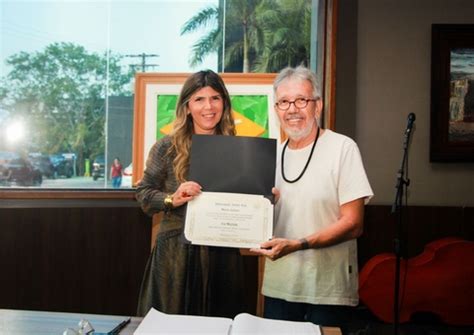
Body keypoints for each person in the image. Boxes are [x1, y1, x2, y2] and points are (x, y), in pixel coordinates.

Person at [250, 66, 373, 333]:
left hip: (328, 290)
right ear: (276, 108)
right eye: (283, 102)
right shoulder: (269, 157)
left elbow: (354, 223)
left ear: (317, 106)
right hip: (279, 288)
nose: (292, 109)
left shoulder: (343, 148)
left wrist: (298, 244)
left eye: (301, 100)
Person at [135, 70, 247, 318]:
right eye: (199, 99)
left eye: (215, 98)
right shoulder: (167, 146)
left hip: (223, 254)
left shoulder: (239, 148)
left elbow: (245, 199)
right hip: (177, 255)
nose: (209, 106)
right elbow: (143, 194)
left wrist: (263, 197)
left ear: (224, 104)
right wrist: (171, 198)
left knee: (223, 323)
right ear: (187, 107)